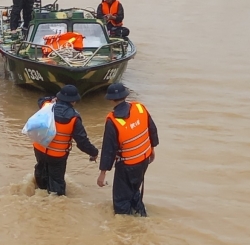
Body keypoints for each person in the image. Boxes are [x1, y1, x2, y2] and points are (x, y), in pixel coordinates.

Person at [97, 83, 159, 216]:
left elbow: (109, 149)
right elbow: (152, 130)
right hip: (144, 159)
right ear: (126, 95)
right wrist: (152, 149)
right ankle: (141, 215)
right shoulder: (140, 108)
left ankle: (126, 228)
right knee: (134, 188)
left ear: (111, 100)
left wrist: (102, 174)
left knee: (121, 201)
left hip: (127, 165)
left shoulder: (113, 121)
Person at [33, 84, 99, 196]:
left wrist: (51, 99)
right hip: (57, 155)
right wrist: (94, 152)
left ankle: (39, 193)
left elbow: (41, 99)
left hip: (39, 149)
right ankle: (54, 206)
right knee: (56, 185)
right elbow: (82, 142)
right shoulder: (74, 118)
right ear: (73, 101)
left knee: (41, 173)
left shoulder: (47, 106)